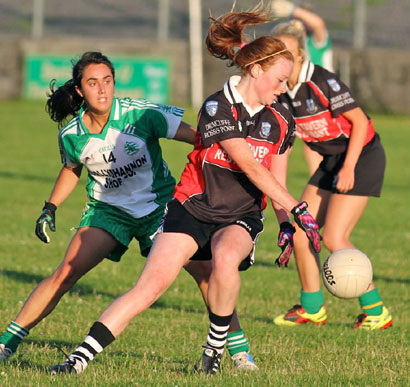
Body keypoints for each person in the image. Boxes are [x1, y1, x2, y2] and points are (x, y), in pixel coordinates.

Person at [47, 5, 321, 376]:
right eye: (280, 80)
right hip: (190, 207)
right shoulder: (216, 107)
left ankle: (213, 353)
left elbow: (275, 180)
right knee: (149, 287)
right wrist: (301, 209)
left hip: (239, 215)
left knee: (225, 259)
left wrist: (286, 221)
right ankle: (77, 360)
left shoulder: (282, 120)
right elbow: (250, 164)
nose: (284, 89)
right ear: (256, 71)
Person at [0, 51, 257, 370]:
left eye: (107, 81)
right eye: (93, 83)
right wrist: (50, 207)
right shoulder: (72, 135)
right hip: (109, 211)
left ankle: (240, 354)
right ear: (80, 90)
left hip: (160, 208)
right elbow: (72, 169)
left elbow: (201, 139)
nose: (102, 89)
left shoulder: (141, 114)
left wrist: (234, 167)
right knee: (64, 274)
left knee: (207, 275)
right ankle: (4, 346)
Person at [271, 21, 392, 330]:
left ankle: (376, 311)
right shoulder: (281, 92)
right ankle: (312, 309)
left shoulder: (322, 81)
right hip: (332, 161)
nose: (278, 57)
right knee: (300, 232)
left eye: (285, 52)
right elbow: (293, 146)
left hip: (361, 156)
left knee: (335, 237)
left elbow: (360, 123)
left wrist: (349, 167)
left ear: (299, 55)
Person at [271, 0, 332, 175]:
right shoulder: (288, 46)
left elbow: (318, 24)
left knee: (318, 141)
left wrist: (293, 10)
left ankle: (322, 180)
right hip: (292, 95)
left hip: (319, 97)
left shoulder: (317, 43)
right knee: (286, 137)